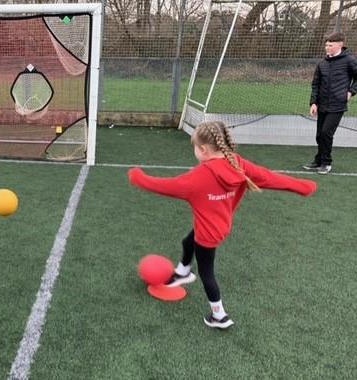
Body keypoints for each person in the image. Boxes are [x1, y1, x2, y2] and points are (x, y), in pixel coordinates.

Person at [128, 121, 317, 329]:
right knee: (187, 241)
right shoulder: (237, 163)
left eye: (194, 147)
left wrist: (139, 179)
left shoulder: (199, 176)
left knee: (207, 274)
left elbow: (167, 186)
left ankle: (219, 315)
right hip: (220, 226)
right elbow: (269, 177)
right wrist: (303, 187)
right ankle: (183, 272)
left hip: (208, 235)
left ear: (203, 149)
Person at [303, 31, 357, 175]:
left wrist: (351, 92)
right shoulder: (322, 63)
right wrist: (313, 103)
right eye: (326, 45)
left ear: (340, 45)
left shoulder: (349, 60)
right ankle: (318, 160)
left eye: (330, 45)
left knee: (326, 133)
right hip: (322, 104)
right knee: (319, 135)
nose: (327, 48)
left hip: (337, 105)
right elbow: (316, 84)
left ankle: (326, 163)